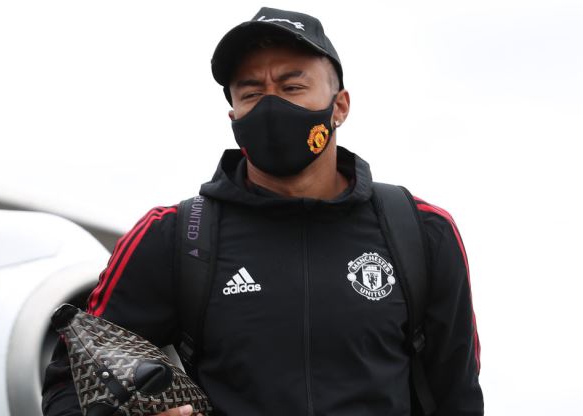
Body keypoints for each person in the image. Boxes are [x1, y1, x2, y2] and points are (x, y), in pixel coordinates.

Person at [42, 7, 483, 416]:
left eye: (292, 87)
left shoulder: (421, 232)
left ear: (340, 106)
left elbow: (458, 396)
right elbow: (71, 384)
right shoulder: (176, 237)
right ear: (233, 114)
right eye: (251, 93)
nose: (271, 105)